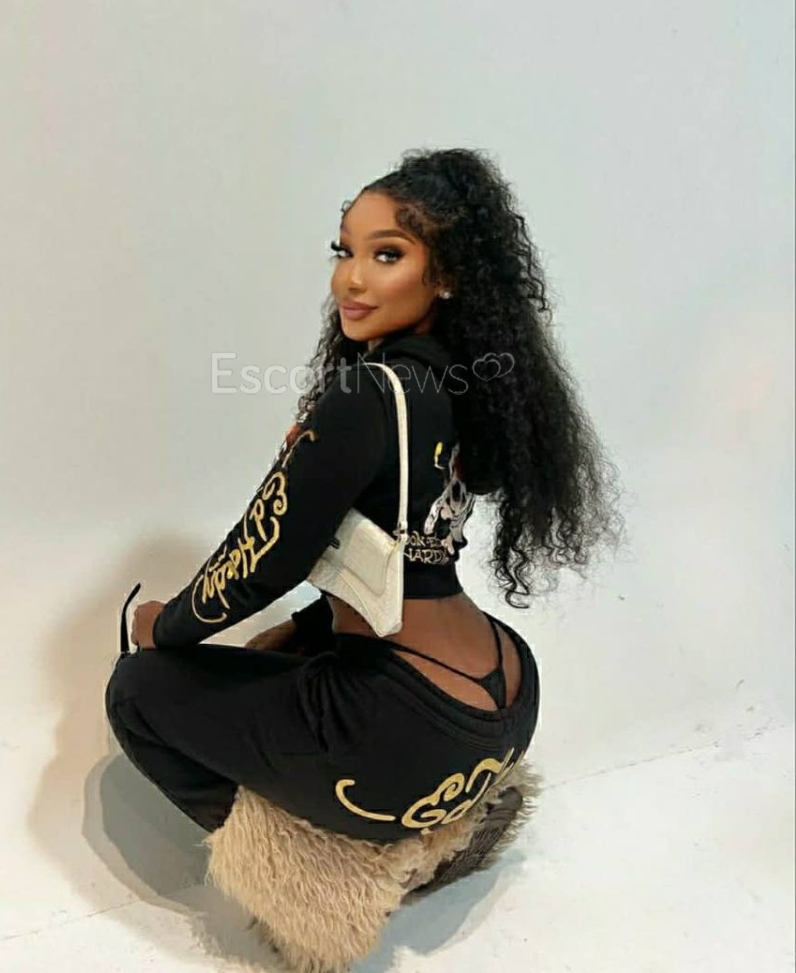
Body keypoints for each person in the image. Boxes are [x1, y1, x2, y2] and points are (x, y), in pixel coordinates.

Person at [105, 147, 624, 842]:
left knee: (138, 692)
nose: (350, 278)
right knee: (301, 638)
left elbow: (263, 558)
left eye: (387, 255)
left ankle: (301, 863)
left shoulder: (368, 393)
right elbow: (393, 542)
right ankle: (436, 826)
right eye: (344, 250)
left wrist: (162, 627)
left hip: (408, 733)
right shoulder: (472, 384)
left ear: (446, 274)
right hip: (505, 701)